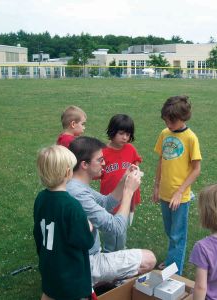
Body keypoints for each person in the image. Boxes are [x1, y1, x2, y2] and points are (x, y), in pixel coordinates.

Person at [66, 136, 156, 285]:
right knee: (149, 259)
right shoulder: (77, 193)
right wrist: (128, 192)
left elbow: (105, 203)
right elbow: (117, 228)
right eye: (100, 160)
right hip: (85, 263)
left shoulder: (75, 185)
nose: (104, 163)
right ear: (84, 165)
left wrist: (123, 180)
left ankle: (102, 283)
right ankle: (97, 285)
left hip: (81, 258)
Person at [33, 145, 94, 300]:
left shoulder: (41, 198)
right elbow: (85, 241)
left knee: (49, 292)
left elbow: (38, 234)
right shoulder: (71, 205)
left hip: (49, 263)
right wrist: (89, 226)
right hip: (70, 272)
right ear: (68, 172)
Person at [152, 95, 202, 275]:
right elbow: (161, 160)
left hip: (179, 197)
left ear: (183, 118)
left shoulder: (190, 138)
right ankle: (172, 260)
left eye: (171, 121)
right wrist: (156, 186)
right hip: (165, 193)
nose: (168, 124)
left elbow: (196, 169)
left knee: (177, 236)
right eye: (166, 120)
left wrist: (180, 192)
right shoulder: (164, 134)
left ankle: (175, 273)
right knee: (169, 232)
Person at [100, 114, 142, 252]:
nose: (125, 137)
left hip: (126, 197)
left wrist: (135, 171)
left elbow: (135, 164)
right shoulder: (103, 152)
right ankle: (108, 253)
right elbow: (96, 172)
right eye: (121, 133)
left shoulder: (130, 149)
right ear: (112, 132)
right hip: (109, 199)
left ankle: (121, 253)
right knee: (110, 233)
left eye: (128, 134)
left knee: (122, 232)